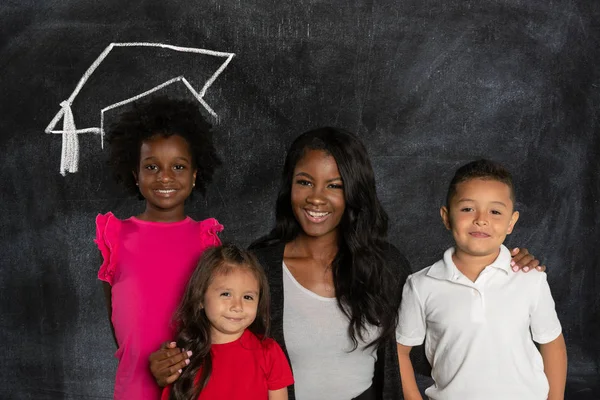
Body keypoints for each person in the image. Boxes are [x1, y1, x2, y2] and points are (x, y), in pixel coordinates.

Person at [149, 128, 544, 399]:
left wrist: (500, 266)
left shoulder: (387, 265)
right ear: (290, 187)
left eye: (334, 185)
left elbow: (431, 345)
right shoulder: (258, 266)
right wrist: (168, 361)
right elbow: (212, 336)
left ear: (353, 191)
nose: (316, 198)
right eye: (305, 182)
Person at [396, 159, 567, 400]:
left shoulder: (531, 279)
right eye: (467, 209)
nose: (481, 219)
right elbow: (400, 350)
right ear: (446, 217)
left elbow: (552, 343)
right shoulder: (421, 284)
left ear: (511, 222)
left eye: (495, 211)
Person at [95, 96, 224, 399]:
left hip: (194, 388)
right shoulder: (115, 238)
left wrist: (178, 361)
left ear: (194, 175)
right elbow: (121, 329)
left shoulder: (207, 241)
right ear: (135, 175)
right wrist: (148, 362)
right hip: (135, 390)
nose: (165, 176)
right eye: (151, 166)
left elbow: (216, 324)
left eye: (178, 166)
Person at [161, 244, 294, 400]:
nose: (237, 306)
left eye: (248, 297)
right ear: (200, 299)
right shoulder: (183, 358)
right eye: (226, 294)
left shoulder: (269, 352)